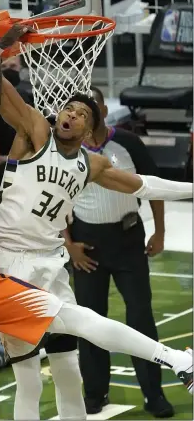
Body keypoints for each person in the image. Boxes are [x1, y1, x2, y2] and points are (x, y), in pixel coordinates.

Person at [0, 0, 192, 421]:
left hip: (43, 262)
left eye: (81, 114)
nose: (70, 116)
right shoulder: (36, 132)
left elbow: (147, 185)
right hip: (4, 262)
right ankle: (178, 361)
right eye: (67, 109)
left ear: (93, 130)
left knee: (68, 361)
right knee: (33, 370)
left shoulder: (94, 164)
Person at [67, 86, 173, 417]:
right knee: (90, 321)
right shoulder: (65, 151)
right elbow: (53, 198)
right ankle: (96, 393)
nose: (84, 115)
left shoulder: (127, 142)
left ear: (102, 110)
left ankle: (153, 395)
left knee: (141, 317)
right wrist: (69, 244)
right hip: (87, 245)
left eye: (91, 107)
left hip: (129, 241)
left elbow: (152, 184)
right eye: (77, 110)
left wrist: (160, 230)